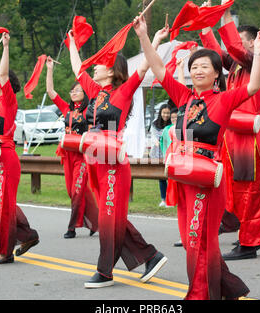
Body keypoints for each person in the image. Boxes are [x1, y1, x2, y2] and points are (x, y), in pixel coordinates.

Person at [135, 13, 260, 299]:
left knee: (198, 240)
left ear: (216, 73)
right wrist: (144, 36)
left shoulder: (224, 100)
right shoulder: (183, 97)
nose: (197, 71)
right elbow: (158, 69)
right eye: (194, 66)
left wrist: (257, 52)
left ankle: (199, 294)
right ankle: (229, 289)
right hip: (182, 176)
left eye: (204, 66)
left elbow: (254, 86)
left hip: (207, 179)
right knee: (191, 239)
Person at [67, 25, 169, 288]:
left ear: (111, 70)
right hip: (95, 161)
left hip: (113, 162)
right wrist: (71, 45)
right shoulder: (95, 92)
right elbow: (78, 69)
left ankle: (105, 272)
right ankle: (150, 256)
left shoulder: (122, 92)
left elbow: (144, 67)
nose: (95, 67)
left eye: (100, 64)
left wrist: (152, 37)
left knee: (109, 218)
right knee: (109, 217)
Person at [198, 3, 260, 260]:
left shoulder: (257, 63)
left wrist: (225, 11)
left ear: (255, 43)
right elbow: (216, 51)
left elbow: (230, 47)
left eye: (243, 42)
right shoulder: (235, 68)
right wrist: (206, 19)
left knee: (247, 190)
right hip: (234, 136)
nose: (236, 48)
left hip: (249, 137)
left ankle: (250, 243)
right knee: (233, 189)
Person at [0, 34, 39, 264]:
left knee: (3, 206)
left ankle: (4, 252)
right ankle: (27, 235)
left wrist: (5, 47)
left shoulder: (8, 100)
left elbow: (3, 74)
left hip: (5, 157)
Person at [46, 56, 98, 239]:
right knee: (72, 191)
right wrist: (50, 69)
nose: (73, 92)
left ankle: (71, 227)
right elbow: (50, 91)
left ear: (84, 93)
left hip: (82, 156)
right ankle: (95, 221)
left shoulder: (88, 110)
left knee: (77, 190)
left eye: (77, 90)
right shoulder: (66, 110)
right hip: (67, 155)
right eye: (72, 90)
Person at [149, 103, 171, 207]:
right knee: (161, 177)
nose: (166, 115)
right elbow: (152, 136)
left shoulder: (172, 125)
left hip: (169, 153)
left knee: (170, 177)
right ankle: (163, 199)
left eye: (167, 113)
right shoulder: (154, 123)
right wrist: (156, 142)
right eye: (164, 112)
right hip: (158, 153)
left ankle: (171, 200)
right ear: (160, 113)